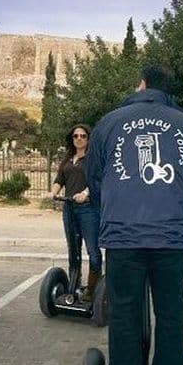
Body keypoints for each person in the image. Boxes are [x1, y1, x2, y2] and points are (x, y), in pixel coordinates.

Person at [86, 64, 183, 365]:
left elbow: (95, 177)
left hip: (123, 236)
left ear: (141, 85)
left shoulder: (109, 122)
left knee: (123, 315)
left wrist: (112, 206)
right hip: (170, 237)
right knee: (170, 317)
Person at [45, 124, 103, 302]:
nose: (79, 139)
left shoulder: (93, 159)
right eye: (76, 136)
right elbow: (59, 180)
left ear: (88, 139)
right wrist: (53, 192)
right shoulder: (68, 159)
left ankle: (92, 290)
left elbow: (99, 180)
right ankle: (74, 286)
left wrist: (85, 193)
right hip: (69, 208)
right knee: (73, 250)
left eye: (83, 136)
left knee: (93, 250)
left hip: (88, 209)